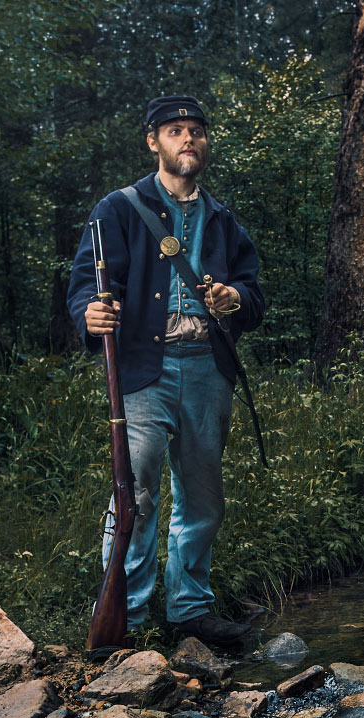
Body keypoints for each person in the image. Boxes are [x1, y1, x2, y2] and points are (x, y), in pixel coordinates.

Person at [67, 95, 265, 649]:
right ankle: (122, 615)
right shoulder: (118, 208)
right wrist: (92, 310)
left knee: (203, 497)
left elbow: (254, 293)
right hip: (144, 371)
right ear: (153, 141)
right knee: (136, 493)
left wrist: (235, 299)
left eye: (196, 131)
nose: (188, 140)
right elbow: (87, 279)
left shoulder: (223, 219)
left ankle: (190, 610)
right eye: (175, 131)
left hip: (208, 368)